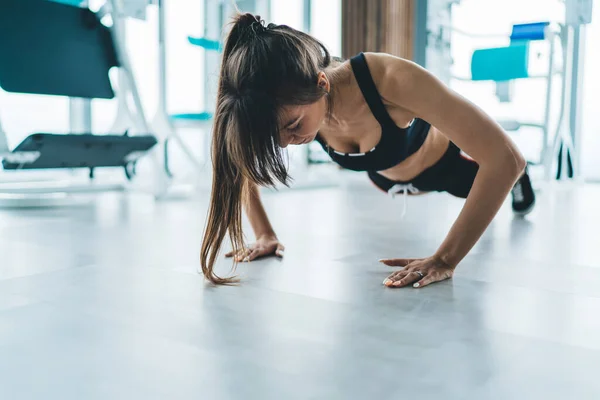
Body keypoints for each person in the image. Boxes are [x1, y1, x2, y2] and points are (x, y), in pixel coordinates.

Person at [200, 13, 536, 288]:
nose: (287, 142)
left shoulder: (390, 79)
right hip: (386, 177)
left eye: (291, 127)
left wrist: (445, 259)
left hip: (450, 169)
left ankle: (522, 182)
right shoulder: (294, 108)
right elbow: (239, 164)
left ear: (321, 83)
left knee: (502, 176)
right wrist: (265, 233)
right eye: (278, 136)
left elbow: (506, 157)